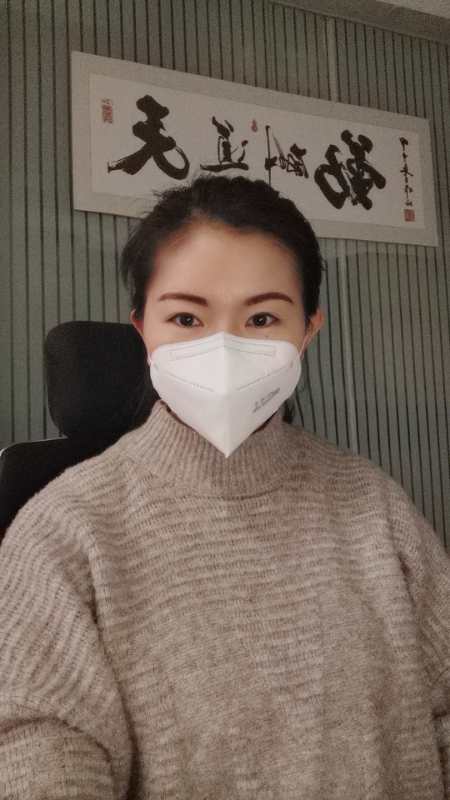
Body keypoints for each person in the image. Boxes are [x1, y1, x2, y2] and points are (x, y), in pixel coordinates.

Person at [0, 174, 448, 799]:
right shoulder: (64, 532)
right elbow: (36, 750)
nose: (224, 349)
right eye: (186, 317)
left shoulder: (375, 506)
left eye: (262, 317)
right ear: (142, 329)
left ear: (308, 329)